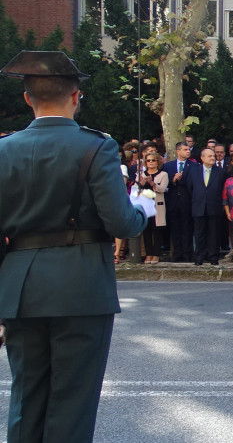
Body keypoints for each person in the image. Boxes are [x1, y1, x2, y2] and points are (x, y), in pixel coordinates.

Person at [0, 50, 148, 441]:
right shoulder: (96, 146)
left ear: (27, 98)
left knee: (26, 397)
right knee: (72, 401)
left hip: (19, 288)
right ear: (76, 96)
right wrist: (142, 211)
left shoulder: (3, 150)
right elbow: (120, 221)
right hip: (81, 286)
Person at [182, 148, 228, 266]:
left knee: (214, 233)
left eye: (213, 156)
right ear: (202, 158)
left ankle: (213, 257)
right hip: (198, 206)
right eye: (209, 156)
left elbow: (223, 190)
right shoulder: (193, 171)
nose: (213, 158)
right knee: (199, 233)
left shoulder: (221, 172)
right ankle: (199, 257)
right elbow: (189, 188)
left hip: (215, 207)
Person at [163, 141, 194, 262]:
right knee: (175, 228)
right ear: (178, 151)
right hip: (173, 201)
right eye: (185, 149)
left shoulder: (193, 166)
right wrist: (173, 180)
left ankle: (187, 254)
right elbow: (165, 184)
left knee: (187, 228)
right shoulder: (168, 166)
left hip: (187, 201)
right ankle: (177, 253)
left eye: (188, 149)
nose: (188, 151)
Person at [137, 151, 170, 264]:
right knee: (146, 231)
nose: (150, 162)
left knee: (157, 231)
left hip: (157, 206)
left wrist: (152, 184)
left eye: (153, 160)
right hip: (145, 206)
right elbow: (135, 191)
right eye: (148, 160)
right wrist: (140, 184)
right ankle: (148, 254)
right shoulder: (141, 174)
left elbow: (163, 189)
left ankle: (156, 254)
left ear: (158, 162)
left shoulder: (163, 174)